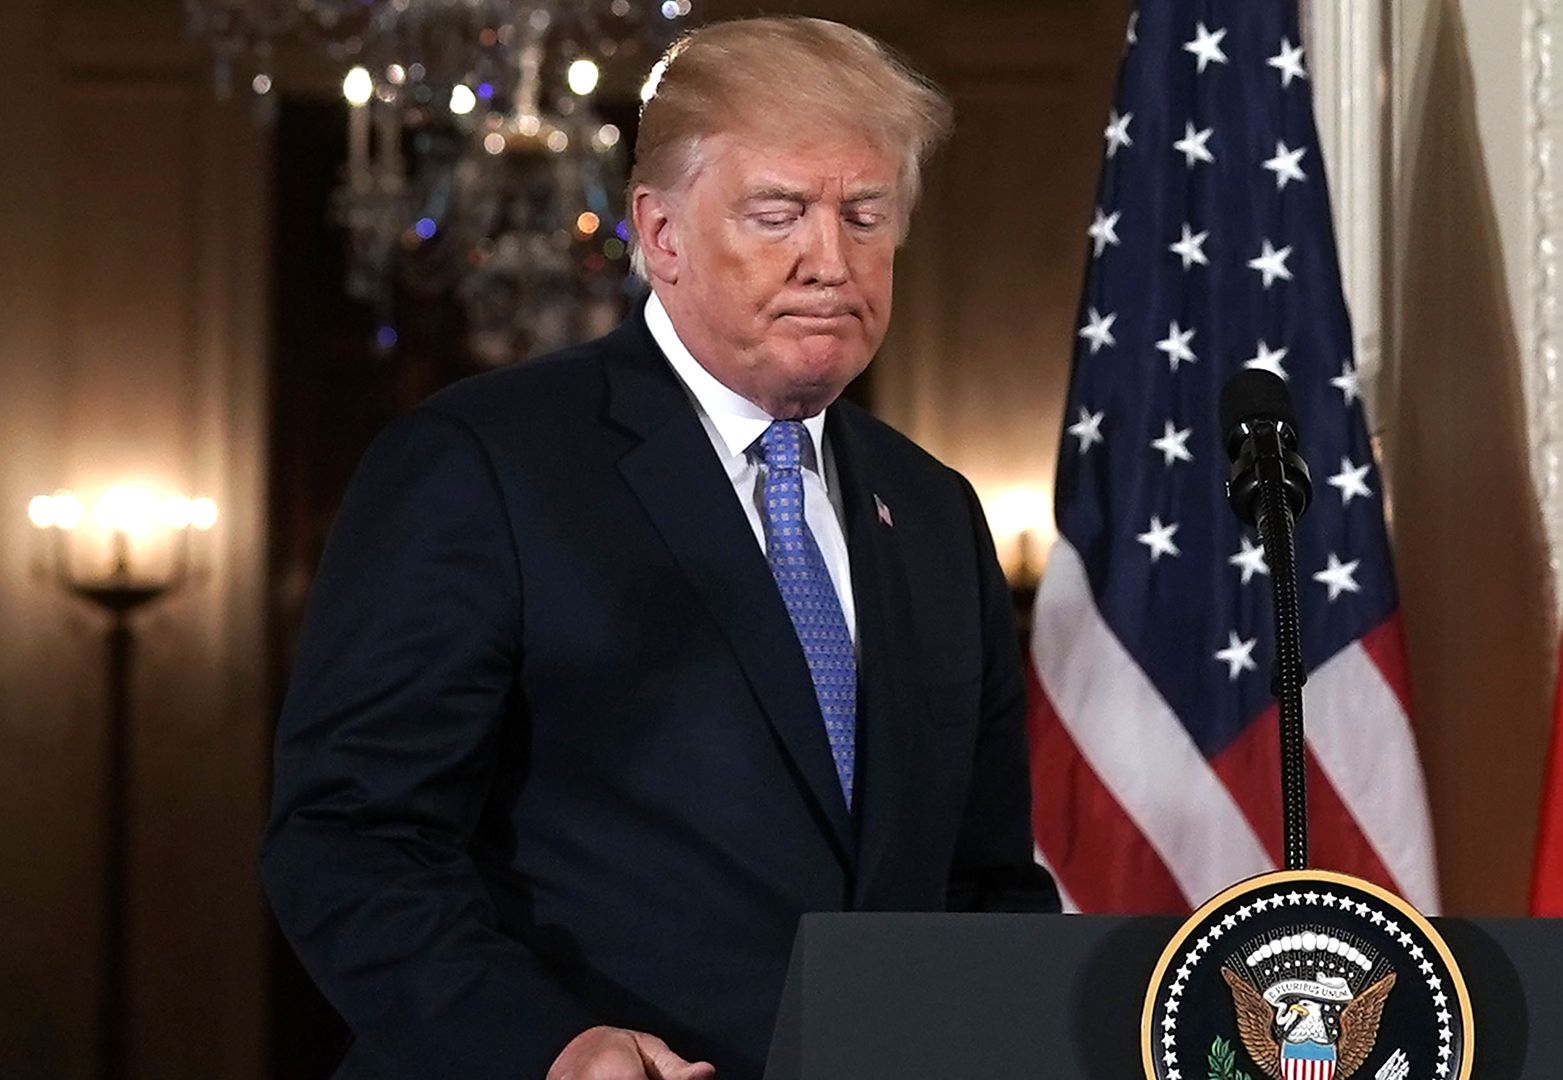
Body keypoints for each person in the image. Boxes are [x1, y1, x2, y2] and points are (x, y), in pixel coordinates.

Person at [260, 16, 1060, 1080]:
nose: (831, 260)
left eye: (865, 217)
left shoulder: (934, 512)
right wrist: (550, 1048)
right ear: (661, 233)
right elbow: (350, 840)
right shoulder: (479, 465)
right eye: (779, 214)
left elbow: (984, 883)